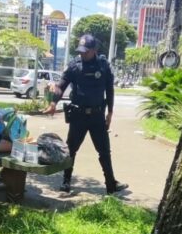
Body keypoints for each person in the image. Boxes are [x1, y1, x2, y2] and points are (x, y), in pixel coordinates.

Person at [45, 34, 128, 195]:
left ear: (94, 50)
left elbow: (109, 90)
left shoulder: (103, 65)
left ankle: (111, 184)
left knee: (104, 151)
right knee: (71, 150)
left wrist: (110, 112)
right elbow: (61, 86)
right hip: (79, 115)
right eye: (80, 51)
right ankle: (66, 182)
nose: (82, 54)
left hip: (97, 116)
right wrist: (53, 102)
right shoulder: (74, 65)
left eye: (86, 51)